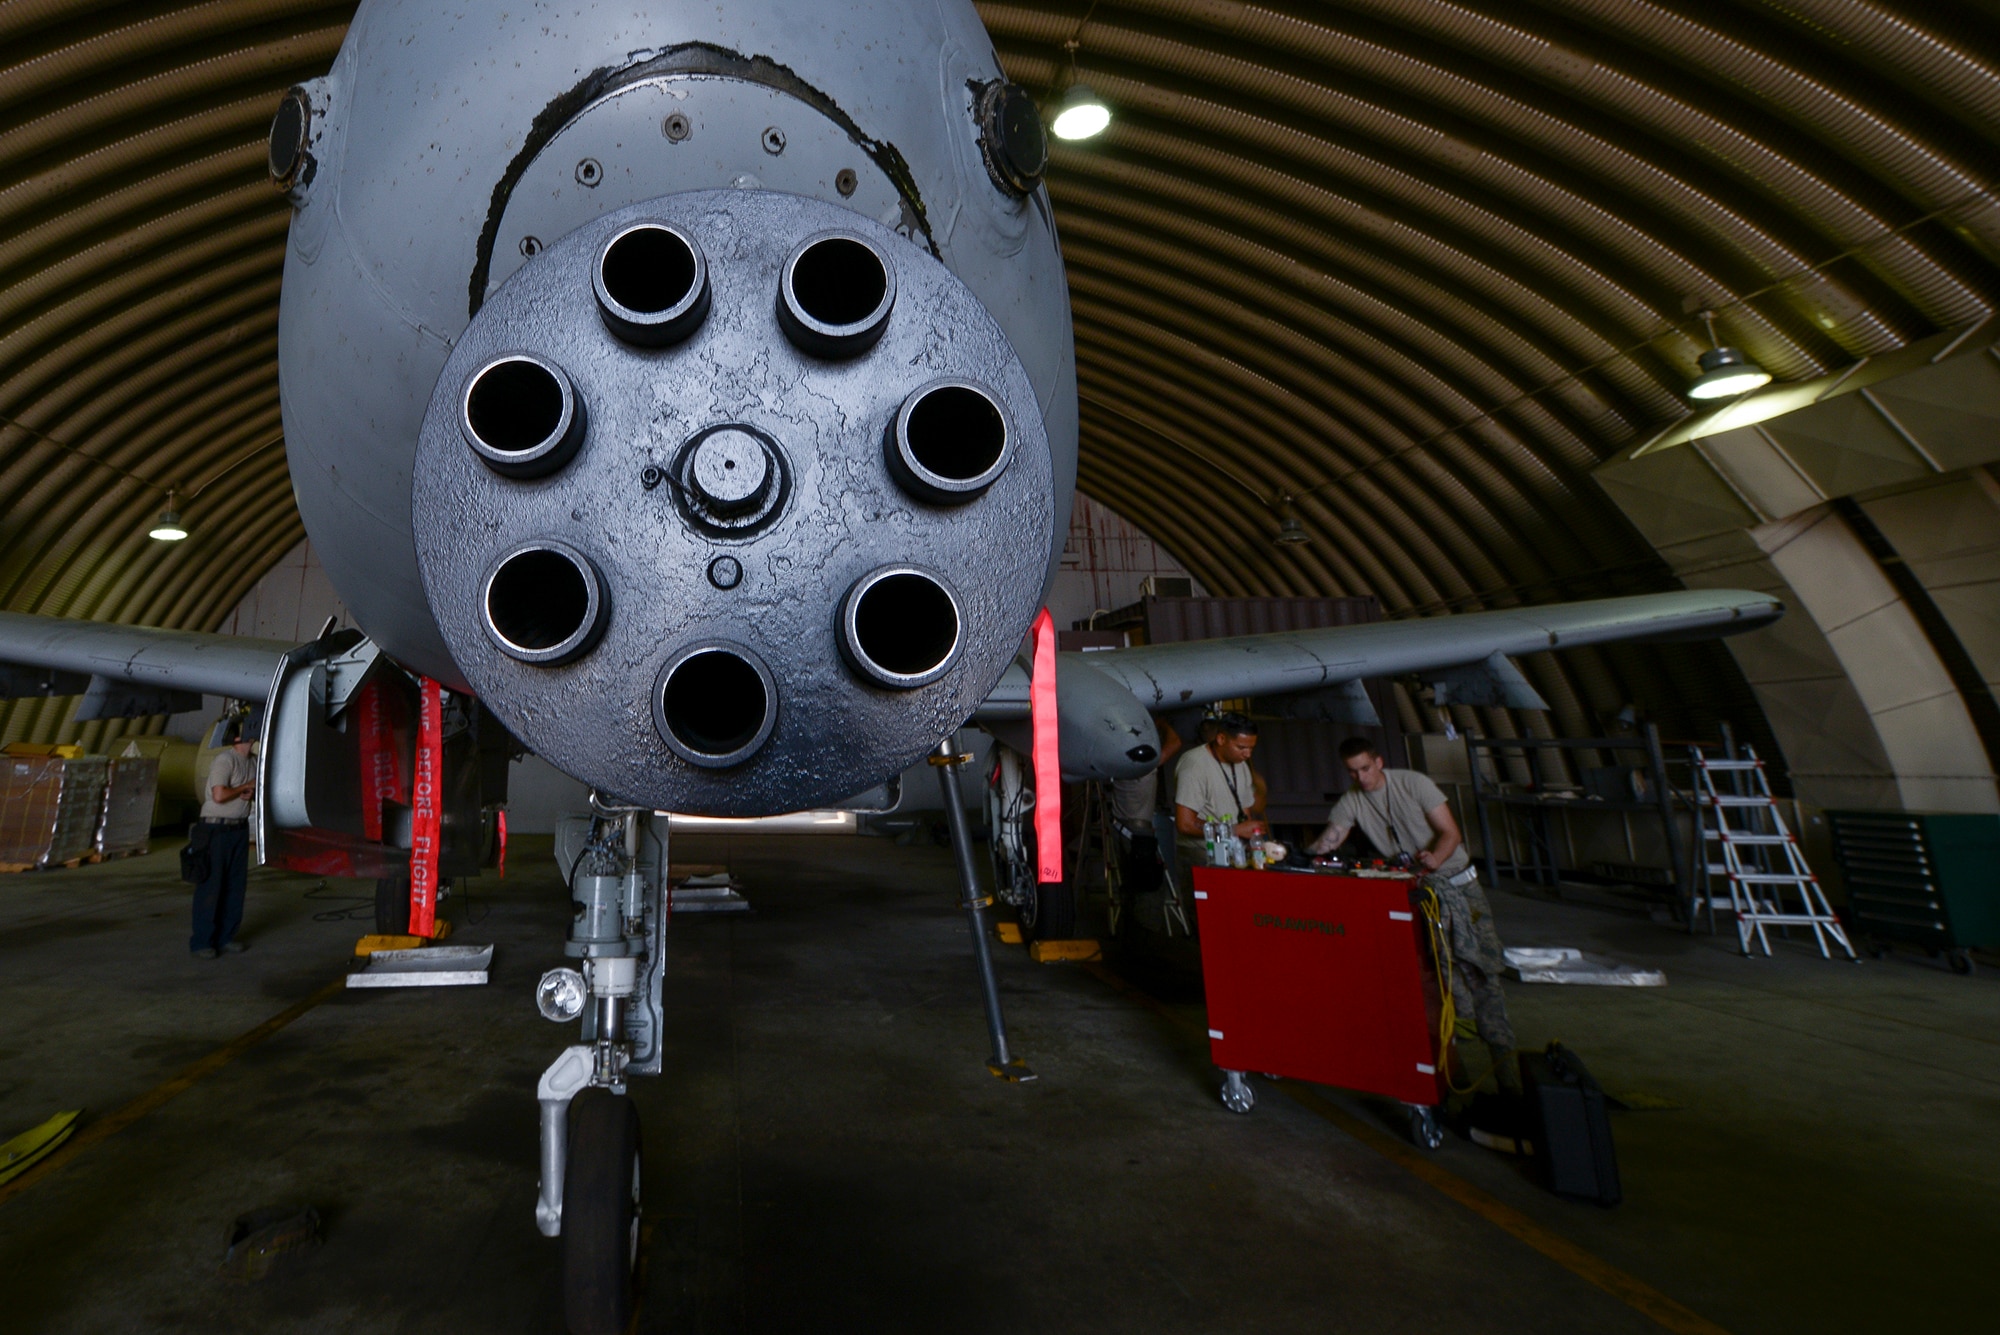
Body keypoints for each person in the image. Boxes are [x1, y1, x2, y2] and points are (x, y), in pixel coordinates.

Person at [1308, 737, 1520, 1095]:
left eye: (1364, 768)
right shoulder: (1352, 801)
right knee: (1439, 978)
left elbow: (1450, 833)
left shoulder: (1414, 784)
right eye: (1352, 772)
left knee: (1481, 974)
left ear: (1379, 762)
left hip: (1458, 887)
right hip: (1423, 896)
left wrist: (1435, 859)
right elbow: (1331, 839)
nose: (1360, 778)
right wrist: (1293, 855)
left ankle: (1509, 1076)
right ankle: (1455, 1072)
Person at [190, 722, 257, 958]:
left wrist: (250, 792)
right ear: (237, 738)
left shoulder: (254, 761)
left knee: (235, 886)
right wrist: (245, 787)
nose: (253, 737)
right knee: (211, 885)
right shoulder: (225, 760)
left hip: (237, 830)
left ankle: (226, 937)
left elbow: (252, 789)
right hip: (214, 831)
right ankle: (202, 942)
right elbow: (219, 795)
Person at [1172, 712, 1267, 868]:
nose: (1248, 754)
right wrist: (1234, 830)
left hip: (1234, 852)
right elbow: (1185, 824)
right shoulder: (1194, 765)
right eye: (1241, 747)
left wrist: (1251, 838)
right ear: (1221, 739)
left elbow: (1245, 812)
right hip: (1202, 855)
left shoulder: (1240, 763)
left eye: (1251, 748)